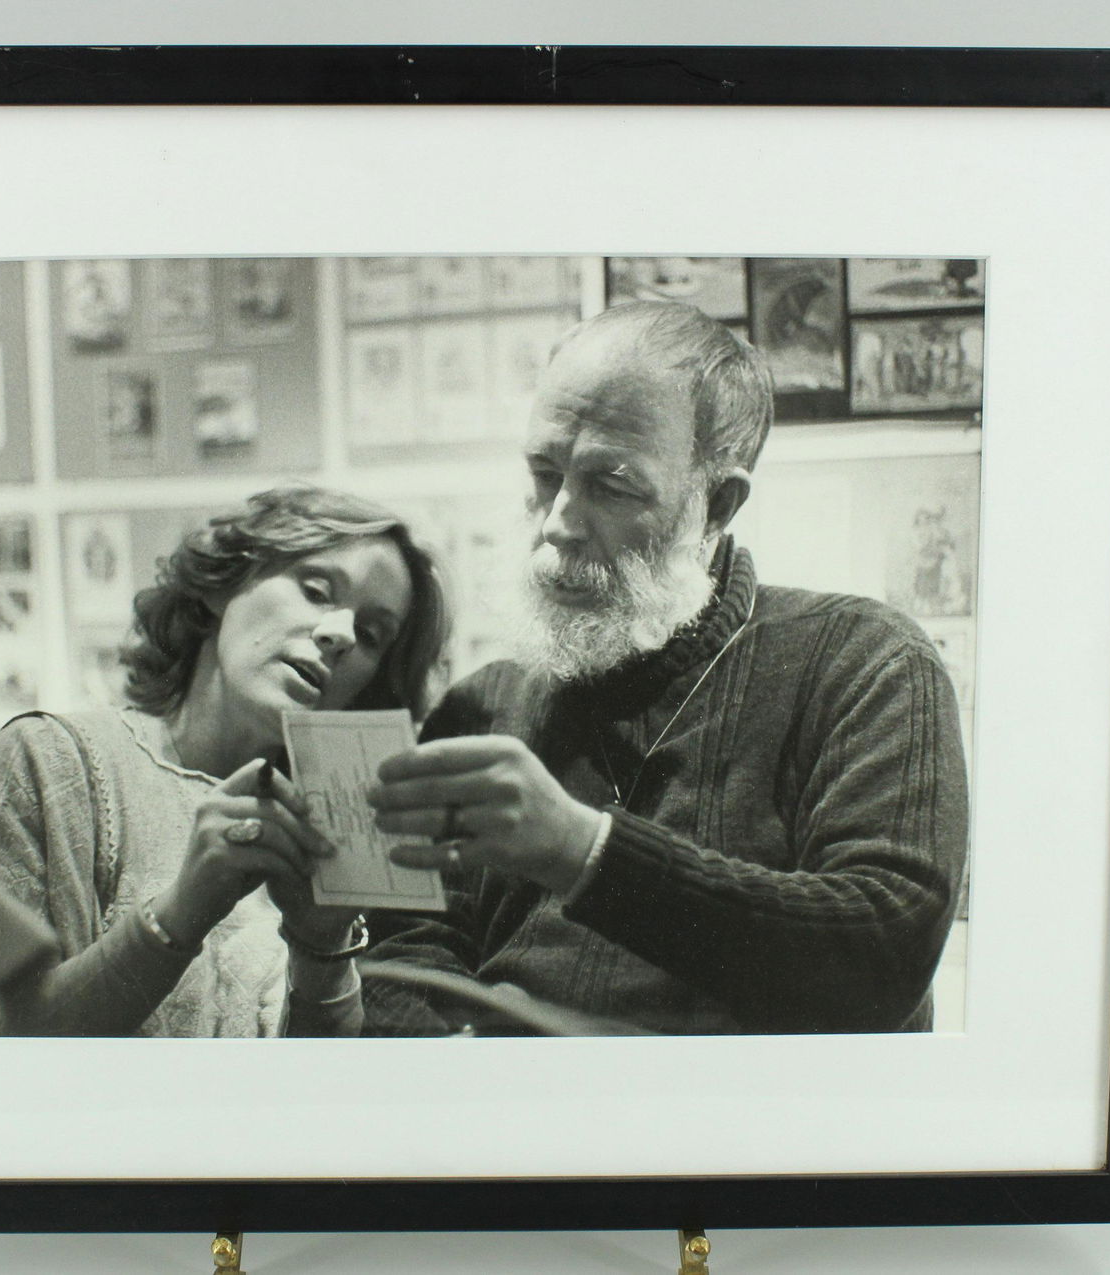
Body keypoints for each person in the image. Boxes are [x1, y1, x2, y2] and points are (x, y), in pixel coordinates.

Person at [361, 301, 969, 1036]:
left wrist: (581, 851)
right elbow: (405, 950)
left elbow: (881, 959)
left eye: (610, 486)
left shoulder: (864, 663)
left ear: (716, 503)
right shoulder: (482, 704)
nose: (557, 521)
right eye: (544, 472)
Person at [0, 486, 448, 1037]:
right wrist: (182, 912)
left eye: (371, 635)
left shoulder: (331, 835)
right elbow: (1, 1047)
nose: (341, 634)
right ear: (223, 586)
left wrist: (322, 951)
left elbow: (322, 1096)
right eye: (317, 590)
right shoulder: (46, 764)